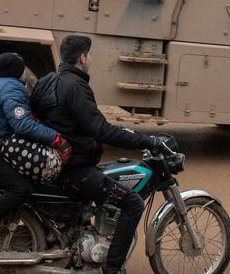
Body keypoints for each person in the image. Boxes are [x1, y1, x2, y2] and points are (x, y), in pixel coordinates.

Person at [30, 35, 161, 274]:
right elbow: (100, 129)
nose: (91, 59)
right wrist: (146, 140)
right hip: (74, 170)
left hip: (55, 164)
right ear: (82, 58)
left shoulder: (49, 80)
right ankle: (112, 269)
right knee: (132, 203)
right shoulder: (76, 86)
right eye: (90, 55)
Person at [0, 52, 72, 257]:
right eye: (23, 69)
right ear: (18, 72)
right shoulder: (13, 88)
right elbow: (22, 125)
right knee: (21, 188)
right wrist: (57, 139)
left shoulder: (1, 84)